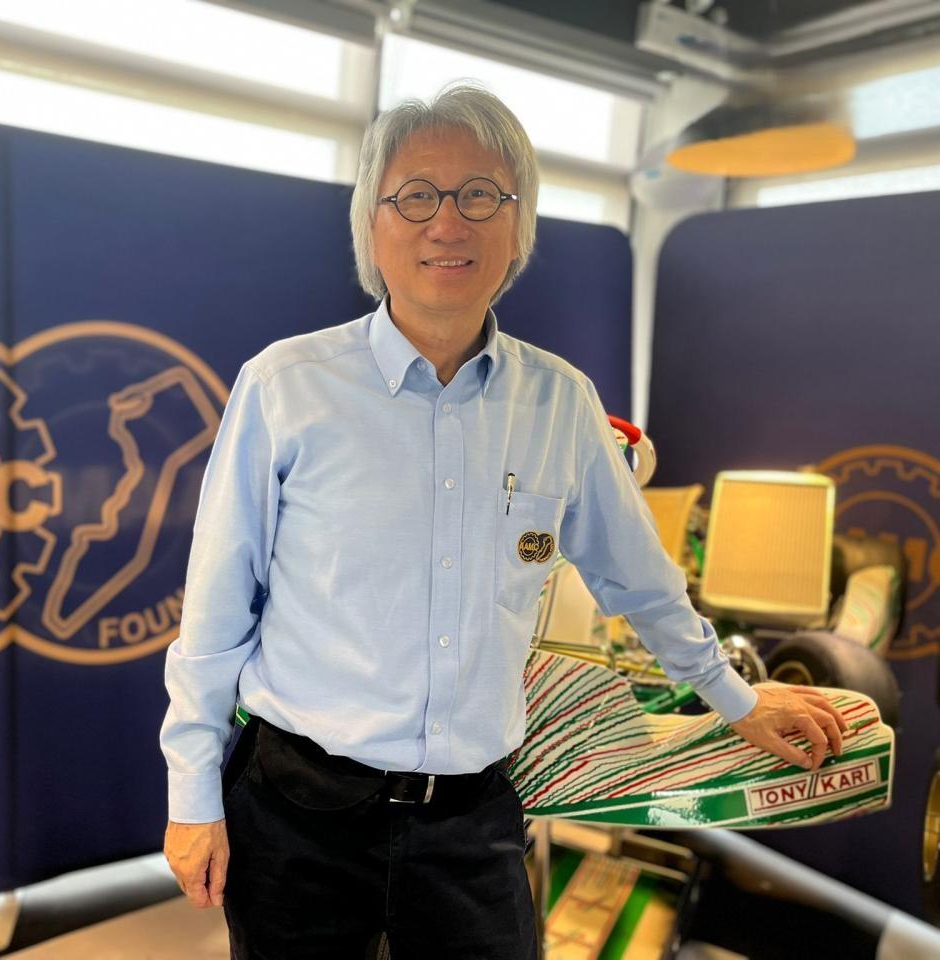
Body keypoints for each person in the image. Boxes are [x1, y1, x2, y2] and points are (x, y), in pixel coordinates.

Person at [159, 82, 848, 959]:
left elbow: (639, 582)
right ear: (372, 224)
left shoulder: (562, 405)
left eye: (481, 195)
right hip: (299, 812)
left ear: (518, 227)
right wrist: (192, 795)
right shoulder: (286, 388)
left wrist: (734, 698)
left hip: (471, 820)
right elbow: (216, 614)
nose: (448, 223)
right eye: (416, 196)